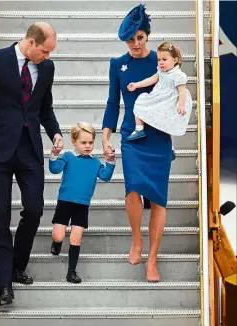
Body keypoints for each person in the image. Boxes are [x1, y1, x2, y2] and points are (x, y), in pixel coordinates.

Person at [0, 22, 64, 308]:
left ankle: (17, 265)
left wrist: (55, 132)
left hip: (29, 148)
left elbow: (45, 108)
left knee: (34, 209)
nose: (47, 57)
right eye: (44, 51)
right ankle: (4, 284)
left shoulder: (47, 68)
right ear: (30, 42)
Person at [102, 4, 173, 282]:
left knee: (157, 198)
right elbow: (112, 103)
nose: (134, 43)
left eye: (139, 37)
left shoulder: (162, 60)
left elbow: (176, 90)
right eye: (130, 39)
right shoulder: (117, 65)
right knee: (132, 190)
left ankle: (152, 258)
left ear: (147, 35)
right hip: (132, 134)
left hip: (159, 134)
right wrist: (106, 134)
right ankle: (136, 241)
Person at [49, 122, 115, 283]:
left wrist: (110, 161)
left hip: (82, 205)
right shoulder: (68, 156)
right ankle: (56, 243)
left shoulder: (95, 162)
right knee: (59, 235)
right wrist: (54, 155)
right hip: (65, 202)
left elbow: (105, 176)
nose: (87, 146)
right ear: (74, 141)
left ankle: (71, 271)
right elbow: (55, 169)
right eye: (83, 142)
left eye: (91, 142)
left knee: (76, 238)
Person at [126, 42, 192, 160]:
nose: (160, 62)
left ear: (175, 60)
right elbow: (152, 79)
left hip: (171, 101)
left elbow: (182, 91)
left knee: (169, 125)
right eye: (159, 59)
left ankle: (171, 148)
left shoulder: (178, 75)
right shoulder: (161, 72)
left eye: (164, 59)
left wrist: (181, 105)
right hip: (159, 98)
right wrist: (137, 85)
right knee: (141, 101)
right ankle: (139, 129)